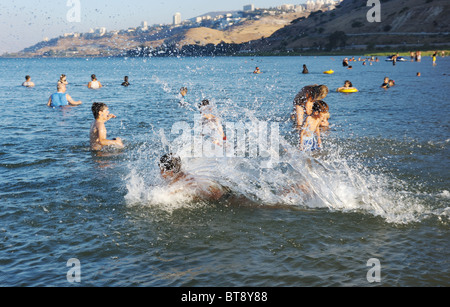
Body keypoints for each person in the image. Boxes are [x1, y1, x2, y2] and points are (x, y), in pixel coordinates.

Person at [158, 153, 227, 201]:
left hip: (223, 198)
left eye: (161, 170)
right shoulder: (180, 175)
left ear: (171, 171)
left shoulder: (184, 182)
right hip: (219, 190)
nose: (160, 173)